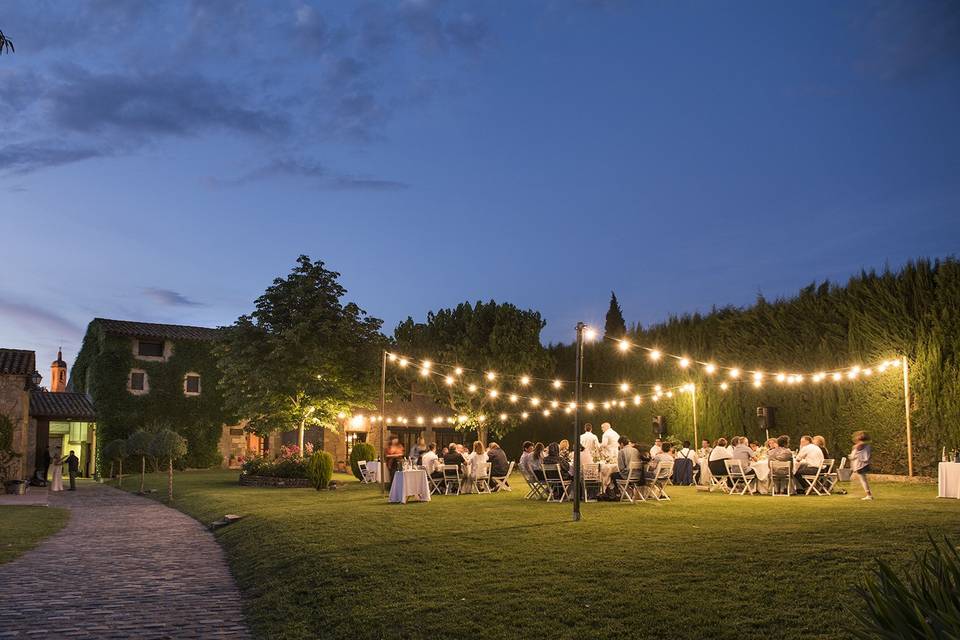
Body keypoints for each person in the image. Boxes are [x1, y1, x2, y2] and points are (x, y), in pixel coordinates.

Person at [849, 431, 873, 500]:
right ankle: (869, 494)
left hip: (859, 465)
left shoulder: (856, 447)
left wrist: (850, 456)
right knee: (864, 480)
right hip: (865, 464)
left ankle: (869, 495)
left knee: (863, 480)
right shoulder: (868, 446)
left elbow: (852, 457)